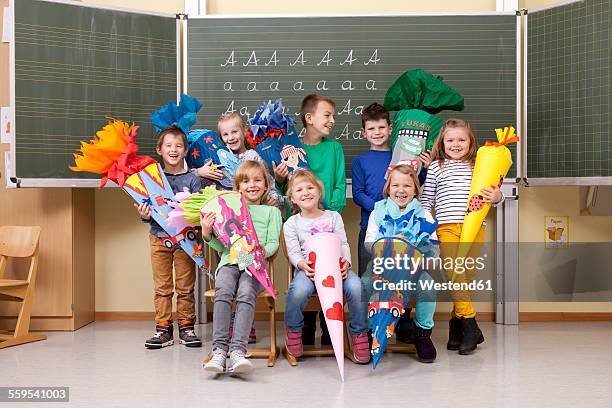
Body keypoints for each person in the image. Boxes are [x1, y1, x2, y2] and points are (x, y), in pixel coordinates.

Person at [420, 118, 503, 354]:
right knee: (455, 273)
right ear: (442, 143)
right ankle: (470, 324)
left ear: (471, 142)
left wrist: (497, 197)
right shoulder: (436, 167)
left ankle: (456, 327)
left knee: (464, 277)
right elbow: (427, 201)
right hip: (446, 228)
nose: (456, 144)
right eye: (450, 140)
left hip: (474, 228)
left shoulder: (479, 166)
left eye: (461, 140)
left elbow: (496, 195)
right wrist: (428, 230)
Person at [202, 160, 282, 374]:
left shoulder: (271, 212)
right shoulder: (230, 211)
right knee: (224, 289)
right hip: (230, 261)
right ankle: (219, 351)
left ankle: (238, 350)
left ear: (266, 185)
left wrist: (258, 251)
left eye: (258, 180)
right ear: (237, 188)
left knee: (246, 291)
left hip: (254, 265)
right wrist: (207, 232)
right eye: (245, 181)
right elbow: (221, 246)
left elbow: (274, 243)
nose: (252, 185)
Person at [283, 170, 370, 364]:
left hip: (336, 269)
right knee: (298, 292)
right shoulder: (292, 223)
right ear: (293, 199)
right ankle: (294, 331)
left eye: (310, 187)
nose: (306, 192)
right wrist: (301, 264)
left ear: (319, 191)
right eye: (299, 190)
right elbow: (293, 251)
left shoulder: (333, 217)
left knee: (357, 288)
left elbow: (344, 243)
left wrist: (346, 262)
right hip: (309, 271)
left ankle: (359, 334)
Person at [136, 125, 202, 350]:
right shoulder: (151, 180)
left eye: (178, 146)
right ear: (159, 150)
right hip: (158, 239)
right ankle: (163, 330)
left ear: (185, 151)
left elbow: (196, 212)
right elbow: (148, 209)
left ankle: (187, 327)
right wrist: (144, 216)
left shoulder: (193, 180)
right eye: (168, 146)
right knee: (162, 287)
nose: (173, 149)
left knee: (185, 286)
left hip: (186, 241)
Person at [364, 165, 438, 363]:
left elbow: (434, 248)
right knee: (364, 285)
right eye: (395, 185)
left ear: (415, 189)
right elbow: (369, 243)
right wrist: (389, 244)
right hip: (382, 266)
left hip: (413, 269)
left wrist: (424, 255)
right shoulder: (377, 212)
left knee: (428, 287)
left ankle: (422, 334)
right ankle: (372, 332)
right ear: (388, 188)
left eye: (407, 185)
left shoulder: (424, 215)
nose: (401, 190)